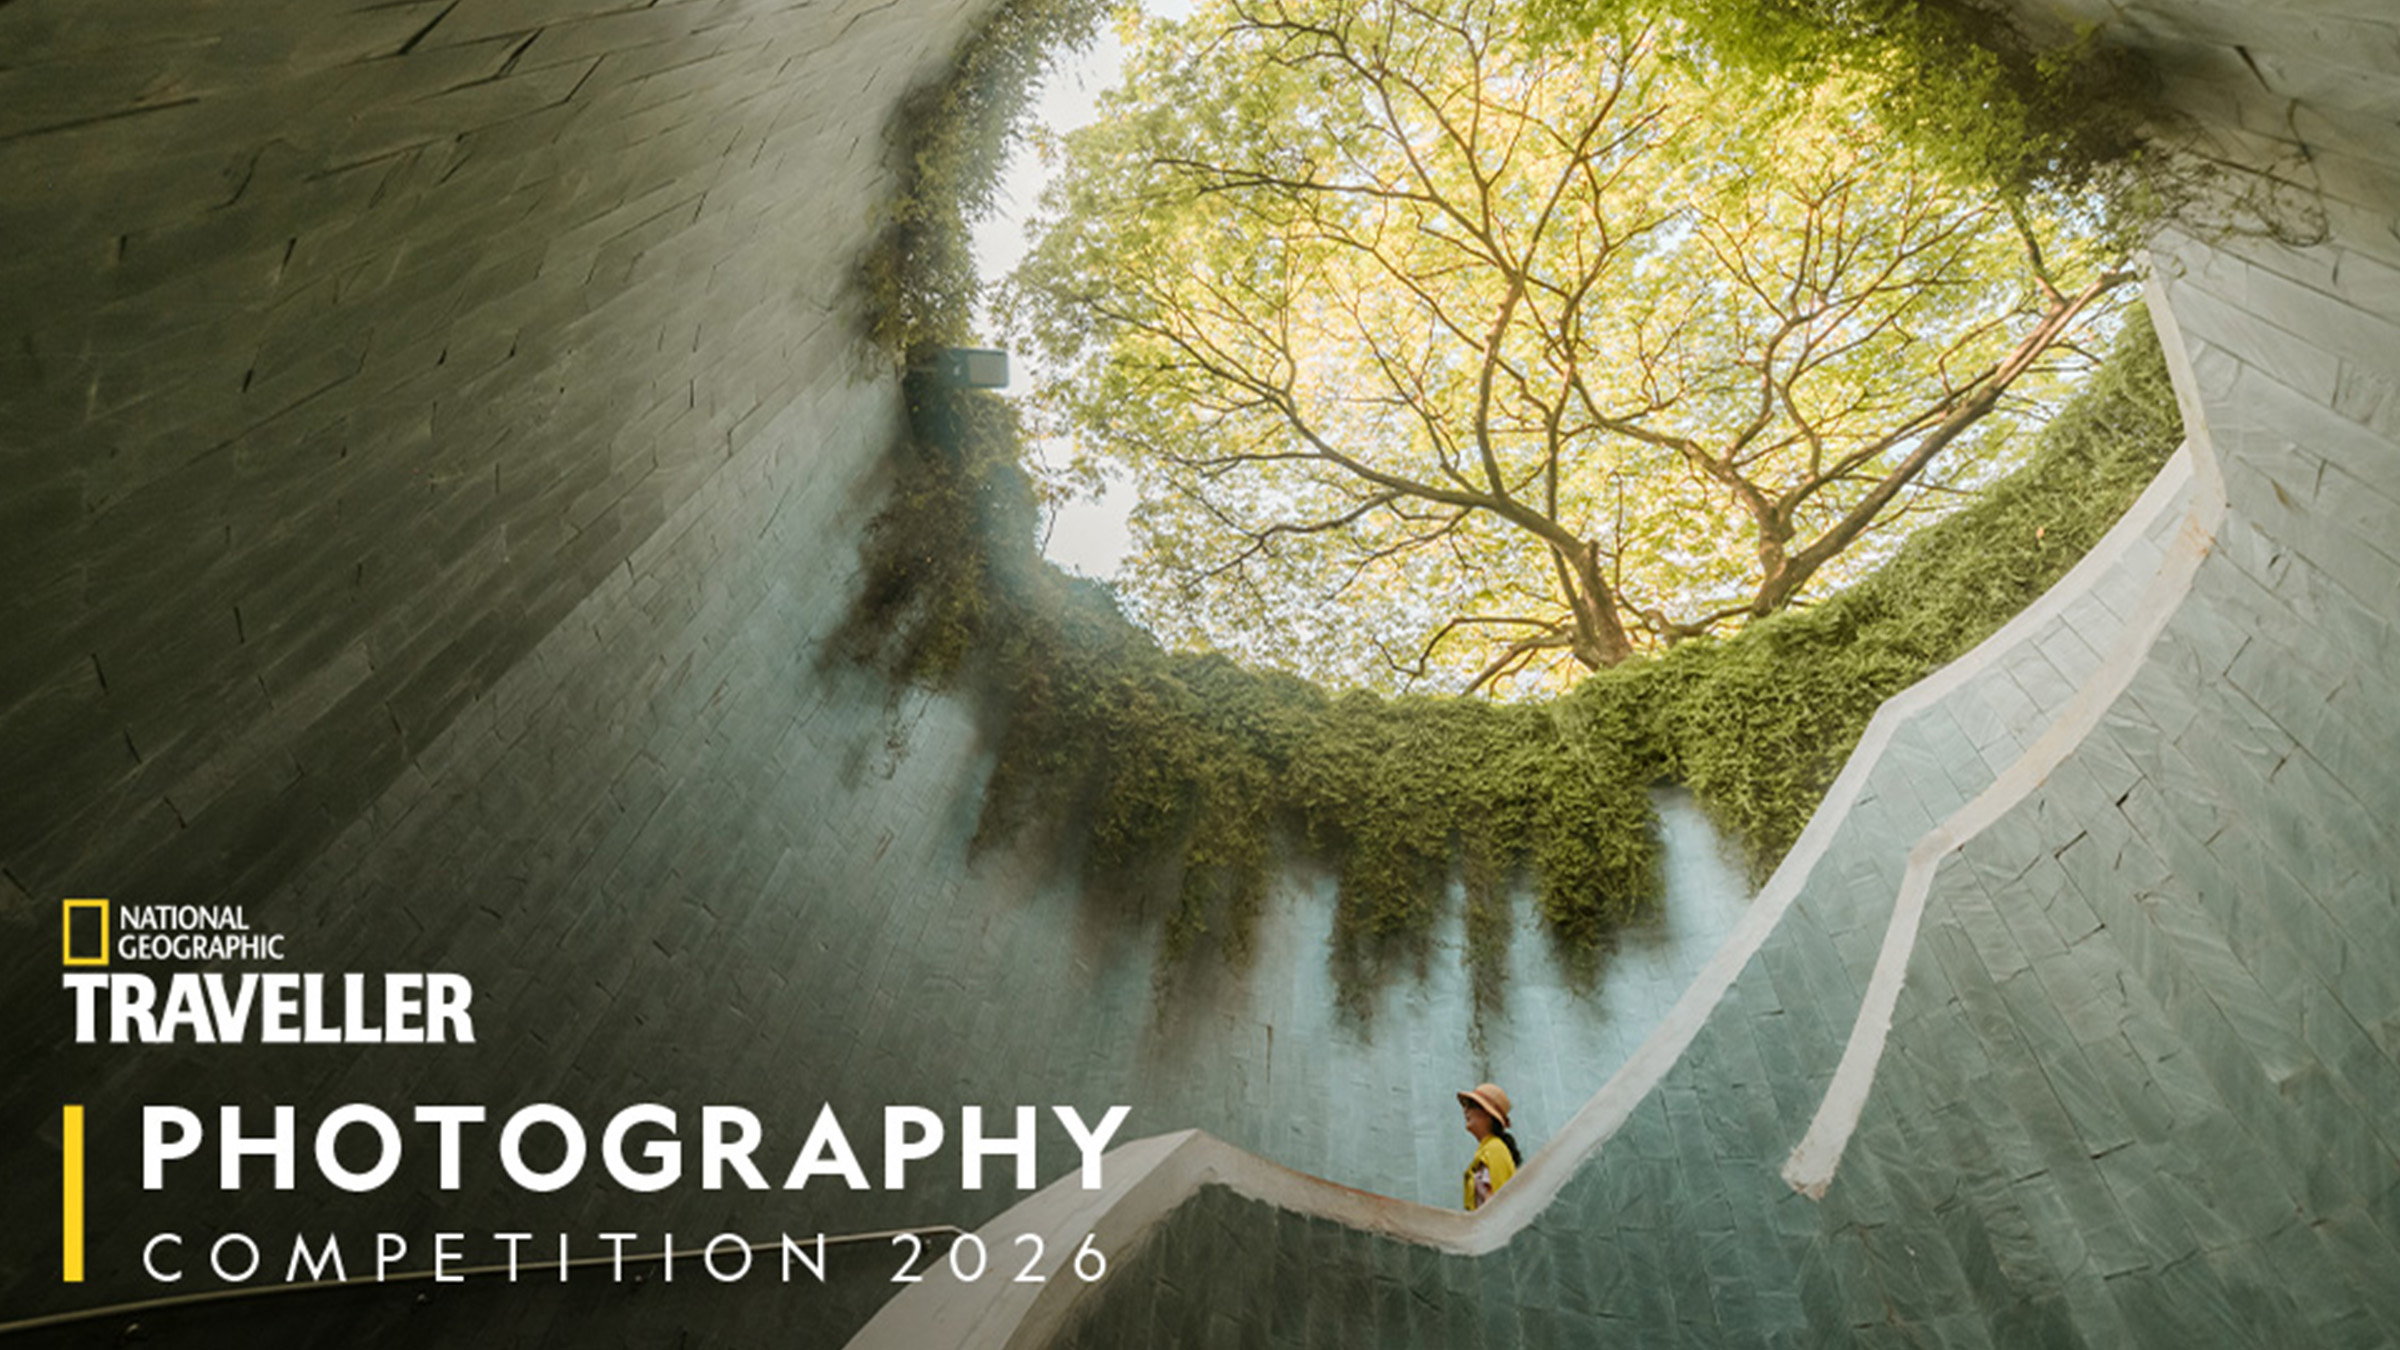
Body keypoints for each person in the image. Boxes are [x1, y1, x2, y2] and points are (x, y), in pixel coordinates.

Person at [1458, 1082, 1520, 1211]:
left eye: (1471, 1105)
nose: (1465, 1110)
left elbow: (1493, 1200)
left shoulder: (1495, 1149)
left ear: (1487, 1113)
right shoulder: (1487, 1149)